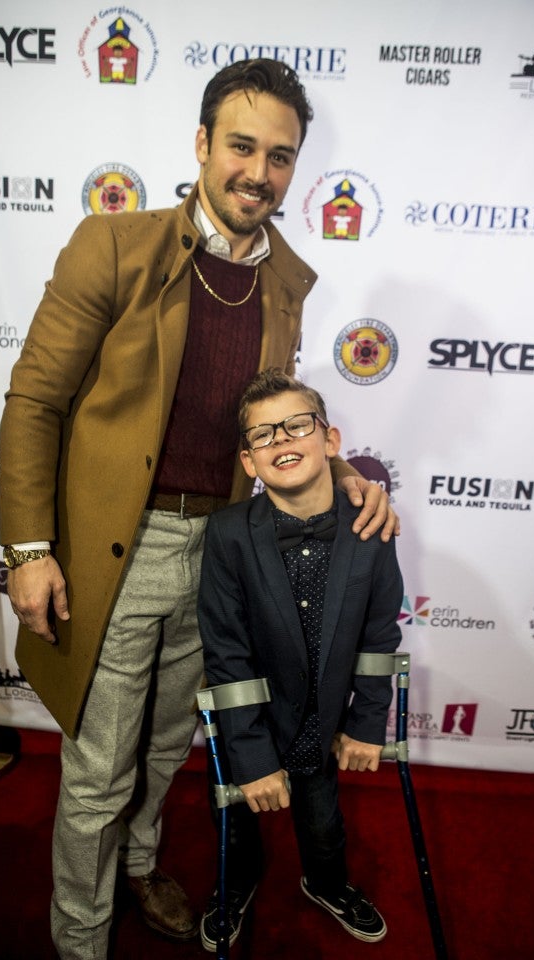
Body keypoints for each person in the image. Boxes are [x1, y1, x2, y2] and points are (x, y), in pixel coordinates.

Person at [0, 58, 397, 960]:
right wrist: (27, 547)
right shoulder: (114, 246)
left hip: (221, 552)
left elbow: (271, 417)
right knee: (100, 767)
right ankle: (80, 938)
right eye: (241, 147)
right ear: (202, 145)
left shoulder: (286, 279)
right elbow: (35, 402)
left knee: (166, 747)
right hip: (116, 551)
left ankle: (140, 868)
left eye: (280, 156)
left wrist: (348, 474)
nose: (259, 172)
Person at [198, 369, 403, 951]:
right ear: (248, 461)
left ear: (330, 440)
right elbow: (226, 652)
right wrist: (251, 755)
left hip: (323, 721)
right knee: (235, 825)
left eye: (296, 426)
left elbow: (379, 637)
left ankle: (328, 883)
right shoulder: (227, 534)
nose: (282, 440)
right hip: (248, 723)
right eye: (263, 435)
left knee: (323, 823)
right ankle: (234, 884)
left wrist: (367, 725)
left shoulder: (371, 527)